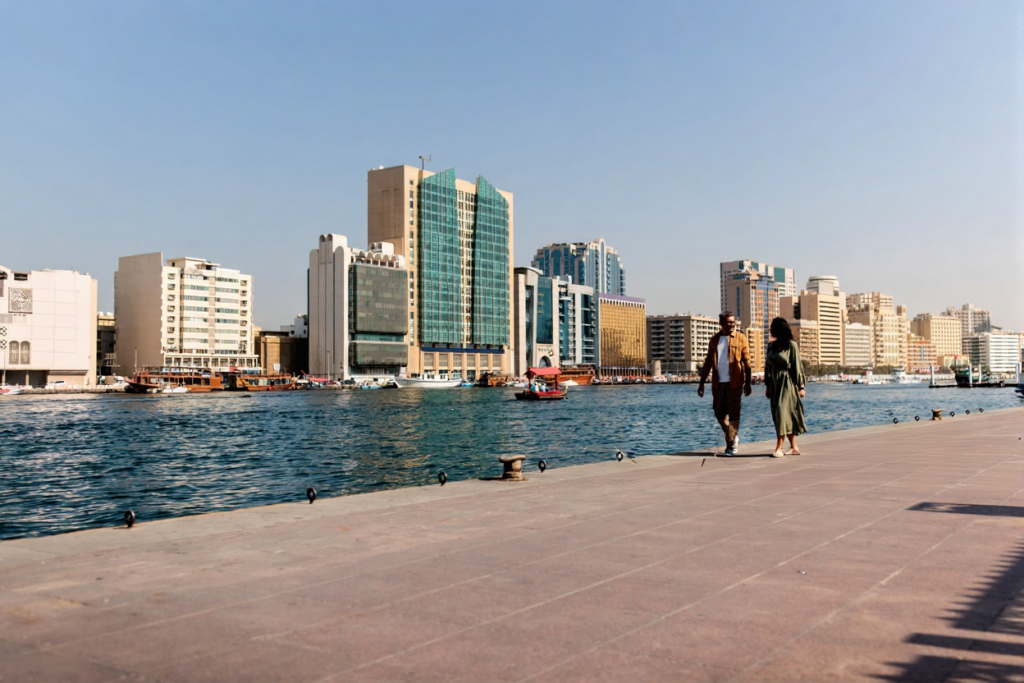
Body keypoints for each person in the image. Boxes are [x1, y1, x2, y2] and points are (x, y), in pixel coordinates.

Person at [698, 311, 752, 456]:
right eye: (728, 322)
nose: (732, 325)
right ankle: (732, 436)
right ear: (721, 323)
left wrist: (747, 383)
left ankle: (731, 446)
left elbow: (747, 362)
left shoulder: (741, 338)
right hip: (718, 384)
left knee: (734, 415)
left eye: (733, 322)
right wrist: (701, 383)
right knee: (719, 415)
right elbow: (708, 362)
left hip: (734, 383)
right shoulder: (714, 340)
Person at [764, 317, 806, 458]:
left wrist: (801, 386)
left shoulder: (791, 345)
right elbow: (768, 367)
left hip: (787, 382)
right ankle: (794, 447)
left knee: (782, 413)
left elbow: (797, 366)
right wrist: (768, 385)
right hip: (775, 384)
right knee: (780, 415)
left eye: (772, 328)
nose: (770, 330)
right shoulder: (771, 346)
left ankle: (779, 448)